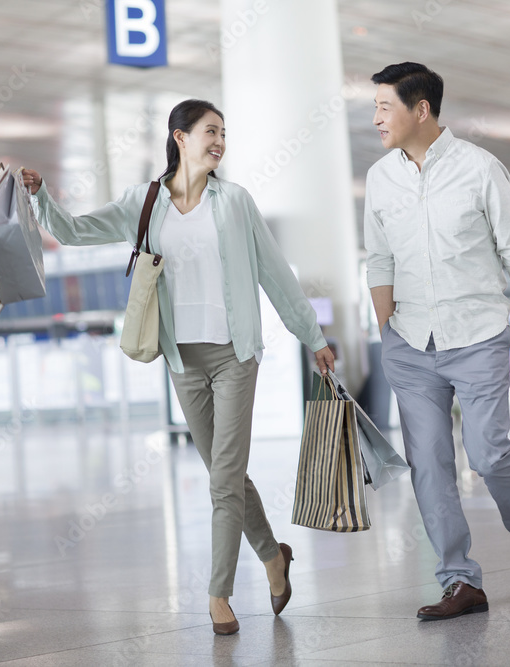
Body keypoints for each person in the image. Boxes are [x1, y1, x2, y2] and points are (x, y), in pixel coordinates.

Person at [22, 99, 335, 636]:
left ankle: (218, 595)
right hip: (181, 357)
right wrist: (40, 198)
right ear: (180, 137)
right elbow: (74, 231)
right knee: (226, 475)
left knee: (222, 482)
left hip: (235, 354)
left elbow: (276, 274)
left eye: (224, 134)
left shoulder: (234, 201)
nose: (219, 141)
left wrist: (314, 337)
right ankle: (274, 556)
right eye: (210, 131)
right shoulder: (144, 203)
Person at [364, 63, 510, 621]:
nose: (376, 117)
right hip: (409, 342)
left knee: (488, 452)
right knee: (428, 463)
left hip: (476, 334)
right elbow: (378, 257)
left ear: (421, 109)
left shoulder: (480, 169)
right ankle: (460, 581)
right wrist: (385, 329)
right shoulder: (380, 179)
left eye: (385, 106)